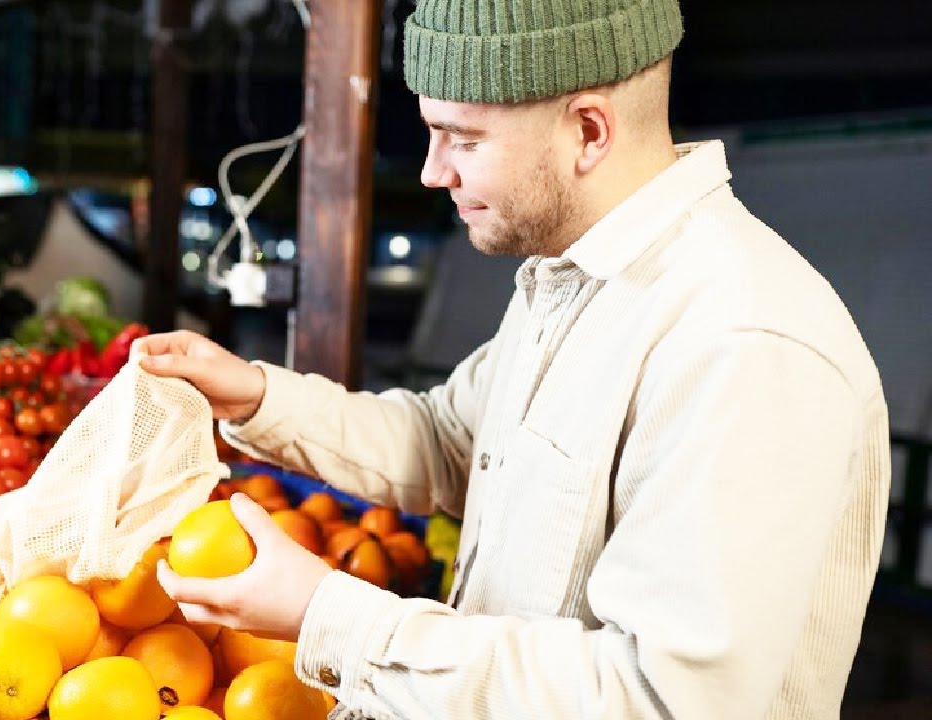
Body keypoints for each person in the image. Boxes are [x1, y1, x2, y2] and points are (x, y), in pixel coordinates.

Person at [134, 0, 891, 717]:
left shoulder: (740, 342)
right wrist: (257, 396)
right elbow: (453, 441)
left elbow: (657, 700)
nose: (433, 171)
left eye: (463, 139)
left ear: (589, 131)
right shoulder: (570, 281)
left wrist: (331, 617)